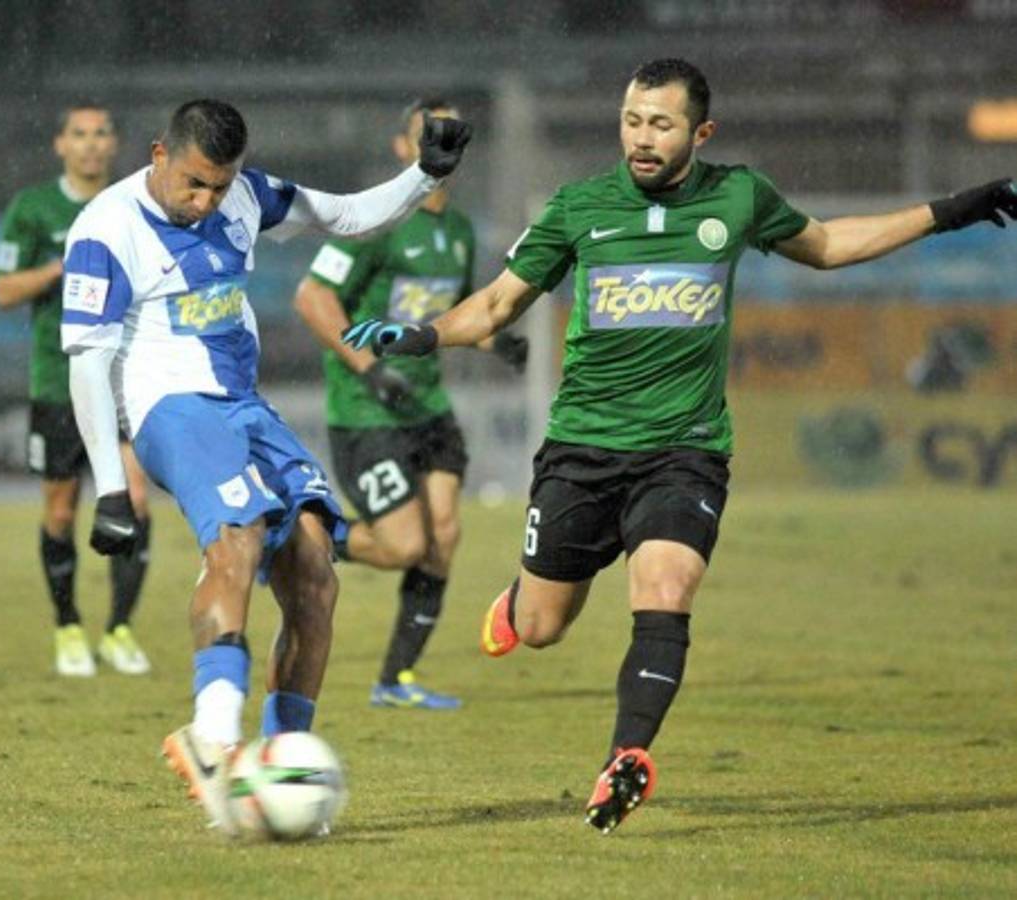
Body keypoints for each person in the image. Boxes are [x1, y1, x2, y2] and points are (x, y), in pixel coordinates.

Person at [343, 58, 1017, 833]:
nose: (640, 137)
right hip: (582, 450)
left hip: (684, 450)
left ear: (700, 132)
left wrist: (948, 211)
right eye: (631, 120)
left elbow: (829, 245)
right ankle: (525, 599)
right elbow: (495, 305)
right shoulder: (578, 207)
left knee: (664, 589)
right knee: (540, 628)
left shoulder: (737, 197)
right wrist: (420, 334)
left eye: (660, 124)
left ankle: (625, 758)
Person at [62, 98, 470, 833]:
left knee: (314, 567)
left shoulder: (244, 196)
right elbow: (88, 365)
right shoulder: (105, 229)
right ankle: (213, 740)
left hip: (241, 405)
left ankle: (281, 763)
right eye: (193, 183)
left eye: (219, 186)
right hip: (168, 405)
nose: (206, 201)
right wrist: (111, 487)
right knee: (240, 535)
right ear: (158, 154)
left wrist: (422, 175)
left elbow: (344, 214)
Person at [293, 98, 527, 710]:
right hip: (368, 413)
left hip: (429, 408)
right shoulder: (377, 221)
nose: (441, 140)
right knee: (403, 547)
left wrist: (499, 341)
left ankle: (395, 680)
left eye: (452, 132)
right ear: (404, 148)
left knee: (444, 535)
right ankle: (298, 542)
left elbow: (453, 314)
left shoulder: (459, 229)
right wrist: (370, 372)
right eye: (428, 133)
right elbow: (314, 298)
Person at [0, 102, 153, 678]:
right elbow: (5, 291)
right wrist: (63, 268)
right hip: (58, 383)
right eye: (79, 134)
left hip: (125, 380)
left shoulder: (134, 204)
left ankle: (119, 629)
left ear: (114, 144)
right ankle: (67, 626)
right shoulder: (33, 208)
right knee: (61, 510)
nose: (90, 144)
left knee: (135, 498)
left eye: (101, 133)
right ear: (61, 144)